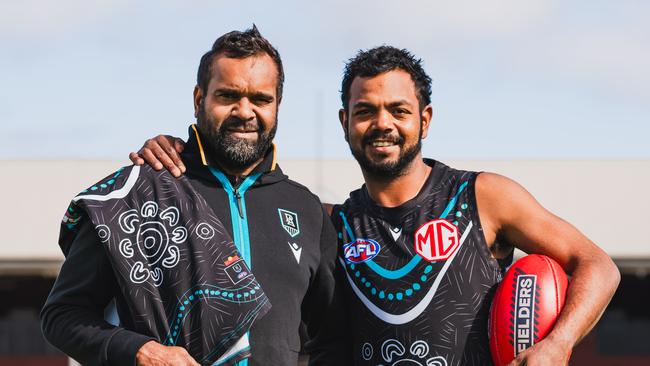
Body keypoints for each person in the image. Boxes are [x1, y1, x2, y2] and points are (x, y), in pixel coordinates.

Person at [131, 46, 620, 366]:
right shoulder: (327, 223)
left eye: (398, 110)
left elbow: (597, 265)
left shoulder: (483, 196)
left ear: (424, 120)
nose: (381, 123)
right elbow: (247, 200)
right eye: (365, 111)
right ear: (345, 122)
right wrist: (183, 151)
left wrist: (558, 343)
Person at [41, 26, 350, 366]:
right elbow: (62, 315)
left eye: (261, 99)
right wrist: (140, 352)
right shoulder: (140, 193)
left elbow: (331, 338)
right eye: (228, 96)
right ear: (199, 99)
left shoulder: (306, 209)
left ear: (277, 105)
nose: (244, 112)